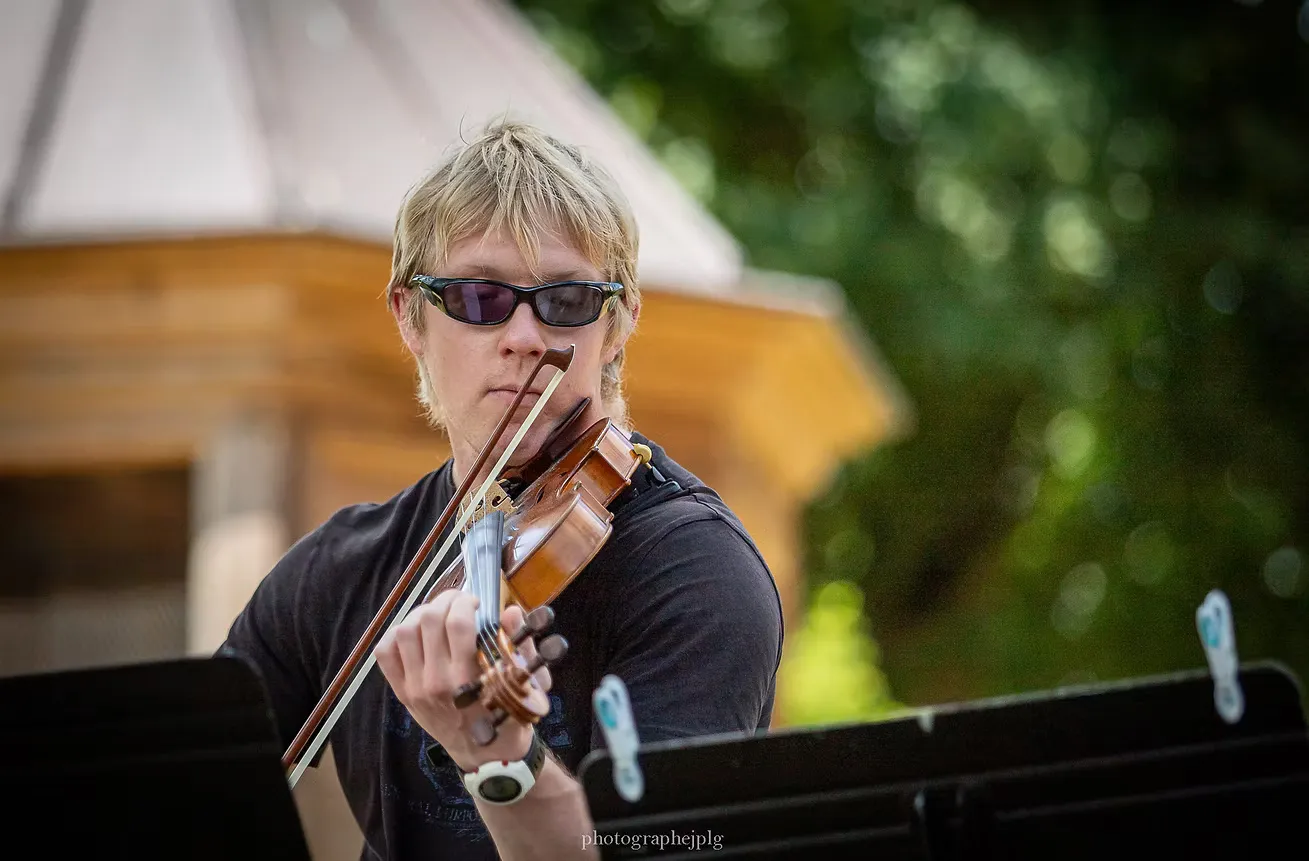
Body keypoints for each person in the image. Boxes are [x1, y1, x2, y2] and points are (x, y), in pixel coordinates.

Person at [219, 119, 784, 860]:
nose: (523, 336)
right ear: (409, 316)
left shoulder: (695, 569)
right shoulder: (339, 571)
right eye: (479, 297)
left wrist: (501, 758)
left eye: (567, 300)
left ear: (618, 324)